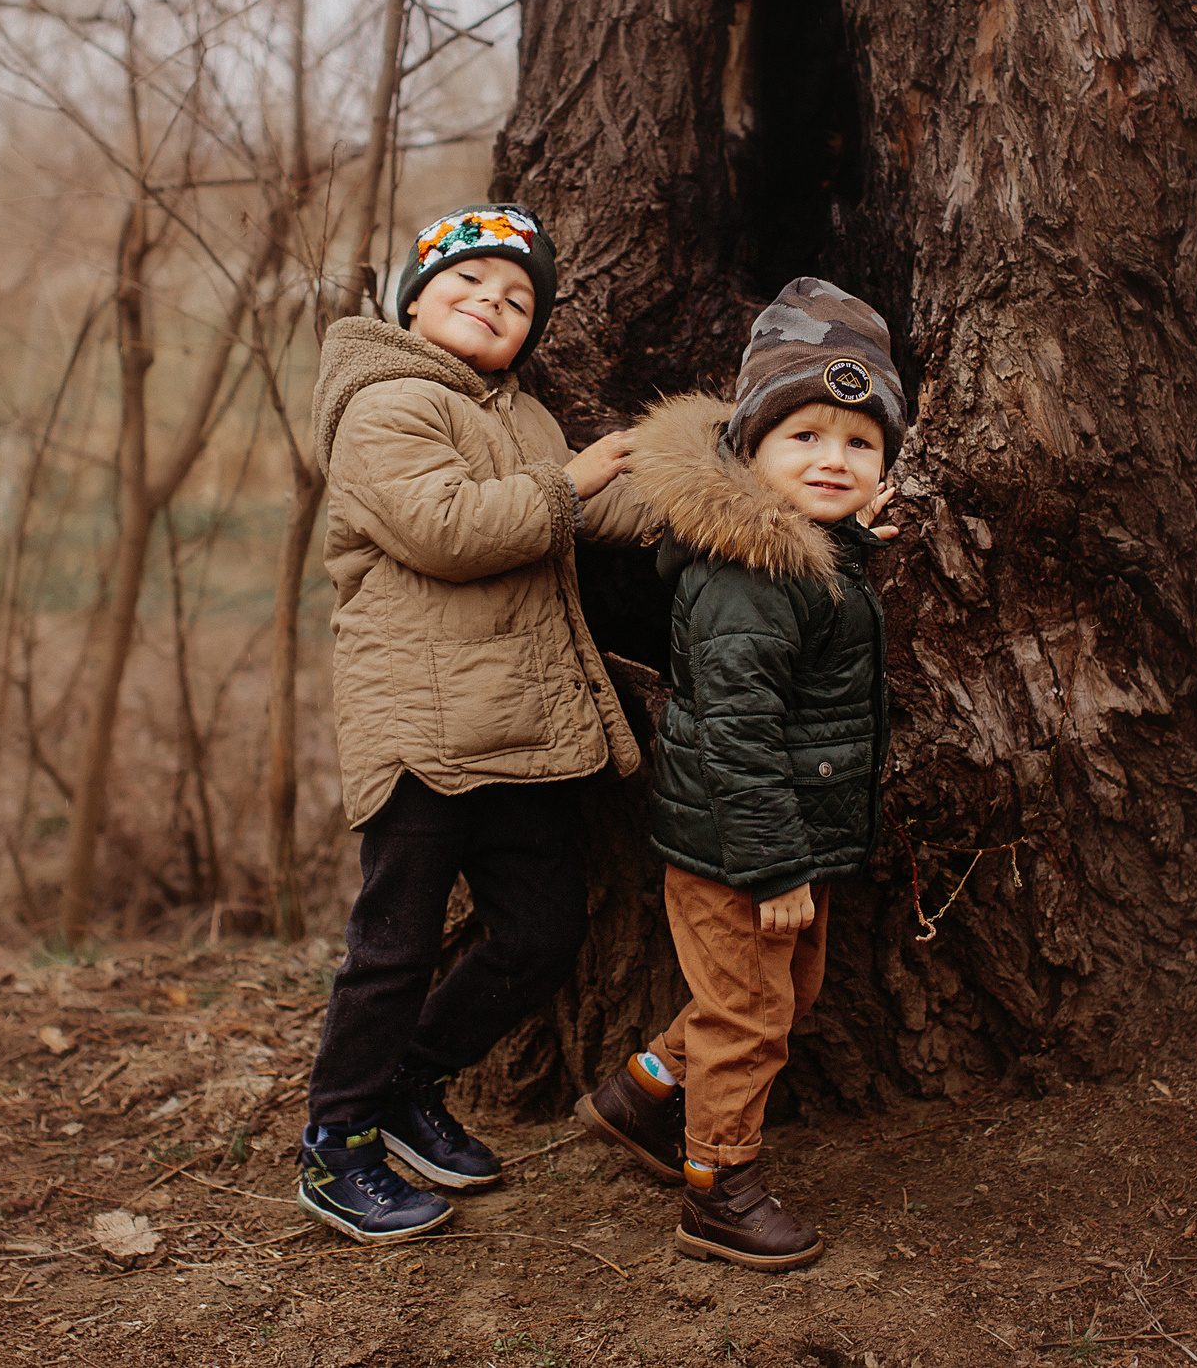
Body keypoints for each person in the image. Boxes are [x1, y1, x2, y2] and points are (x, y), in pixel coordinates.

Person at [295, 204, 658, 1245]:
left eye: (515, 300)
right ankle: (337, 1143)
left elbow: (608, 512)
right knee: (392, 948)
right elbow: (446, 530)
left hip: (515, 730)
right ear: (413, 301)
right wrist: (572, 479)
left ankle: (411, 1084)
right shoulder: (384, 402)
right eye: (465, 286)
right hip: (417, 729)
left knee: (542, 928)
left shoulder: (526, 416)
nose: (490, 306)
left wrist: (733, 487)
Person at [575, 277, 905, 1271]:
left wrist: (843, 541)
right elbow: (736, 734)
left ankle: (640, 1095)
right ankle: (717, 1185)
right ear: (749, 450)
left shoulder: (793, 555)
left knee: (774, 1002)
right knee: (751, 1014)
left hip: (765, 837)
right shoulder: (746, 582)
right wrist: (772, 869)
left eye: (859, 444)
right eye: (803, 438)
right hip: (739, 846)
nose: (832, 459)